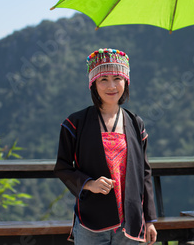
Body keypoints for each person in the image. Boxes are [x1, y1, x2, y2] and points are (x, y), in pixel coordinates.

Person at [54, 48, 158, 245]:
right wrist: (89, 183)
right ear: (93, 84)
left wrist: (150, 220)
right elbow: (62, 167)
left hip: (130, 223)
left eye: (117, 78)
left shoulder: (136, 124)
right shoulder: (75, 123)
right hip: (91, 222)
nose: (111, 86)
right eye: (104, 79)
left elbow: (144, 173)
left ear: (125, 81)